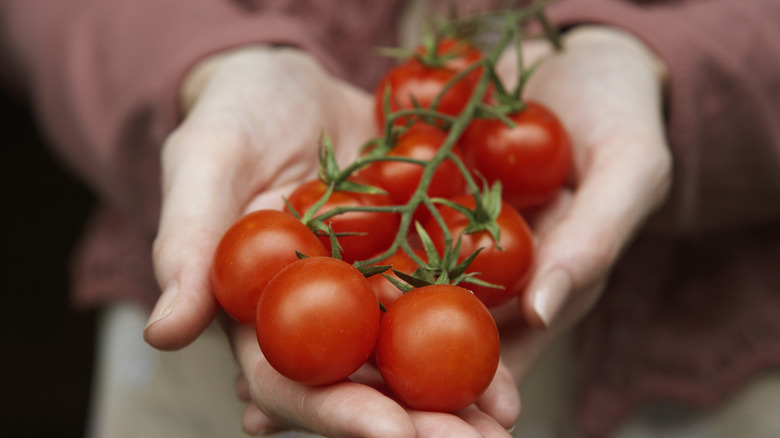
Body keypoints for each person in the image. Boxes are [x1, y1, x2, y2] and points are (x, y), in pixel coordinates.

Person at [2, 0, 779, 437]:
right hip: (195, 395)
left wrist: (669, 68)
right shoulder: (393, 211)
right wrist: (202, 69)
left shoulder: (375, 215)